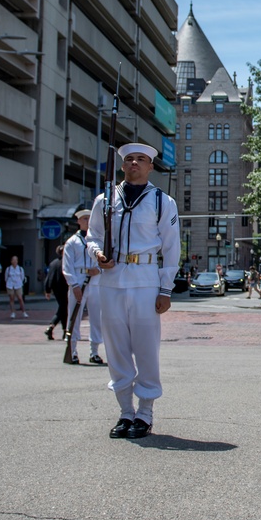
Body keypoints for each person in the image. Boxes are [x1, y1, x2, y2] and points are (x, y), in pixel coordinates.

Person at [89, 143, 181, 439]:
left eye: (141, 159)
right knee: (115, 348)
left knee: (145, 348)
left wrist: (165, 288)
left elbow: (171, 247)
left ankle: (145, 412)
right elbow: (93, 235)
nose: (134, 163)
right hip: (112, 279)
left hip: (145, 278)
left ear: (150, 166)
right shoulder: (105, 200)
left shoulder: (161, 202)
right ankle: (125, 411)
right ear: (122, 165)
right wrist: (96, 254)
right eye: (129, 159)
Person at [62, 209, 104, 365]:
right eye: (84, 219)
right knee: (74, 317)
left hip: (94, 281)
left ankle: (94, 351)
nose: (87, 221)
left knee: (96, 318)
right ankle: (72, 350)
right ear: (79, 221)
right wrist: (73, 285)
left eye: (89, 218)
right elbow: (67, 266)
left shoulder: (97, 241)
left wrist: (98, 270)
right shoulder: (72, 242)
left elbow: (104, 260)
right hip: (79, 280)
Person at [44, 244, 68, 340]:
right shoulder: (67, 262)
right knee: (63, 308)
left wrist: (47, 290)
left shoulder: (53, 263)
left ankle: (64, 330)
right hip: (65, 288)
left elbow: (49, 277)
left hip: (56, 290)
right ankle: (52, 326)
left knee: (63, 308)